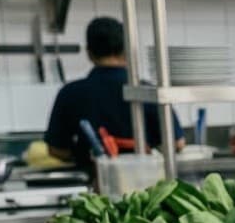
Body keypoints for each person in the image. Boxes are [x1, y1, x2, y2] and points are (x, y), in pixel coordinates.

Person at [42, 17, 178, 172]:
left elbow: (56, 150)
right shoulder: (146, 91)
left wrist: (84, 156)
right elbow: (177, 143)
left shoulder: (69, 93)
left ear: (89, 53)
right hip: (146, 180)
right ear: (126, 51)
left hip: (94, 181)